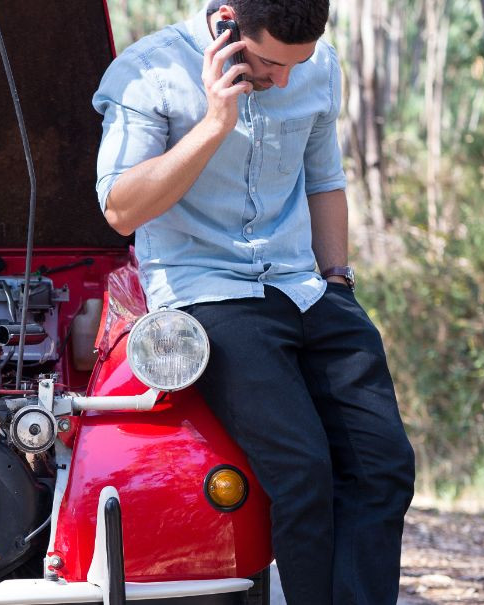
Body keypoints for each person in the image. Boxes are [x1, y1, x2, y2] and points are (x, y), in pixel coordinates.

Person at [91, 1, 415, 603]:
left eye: (300, 62)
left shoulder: (317, 69)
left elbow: (324, 180)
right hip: (207, 292)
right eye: (270, 62)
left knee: (384, 466)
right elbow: (121, 210)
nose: (286, 79)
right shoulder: (150, 72)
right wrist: (215, 121)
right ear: (227, 22)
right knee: (303, 471)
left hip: (306, 287)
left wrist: (338, 282)